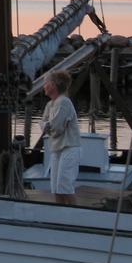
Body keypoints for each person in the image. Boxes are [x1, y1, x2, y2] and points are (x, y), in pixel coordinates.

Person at [40, 69, 81, 204]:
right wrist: (47, 126)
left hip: (69, 147)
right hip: (56, 149)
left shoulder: (64, 102)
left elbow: (57, 129)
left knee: (65, 186)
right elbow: (43, 124)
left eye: (46, 83)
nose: (44, 86)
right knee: (56, 188)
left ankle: (76, 214)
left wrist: (47, 126)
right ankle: (61, 213)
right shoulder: (49, 104)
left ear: (53, 85)